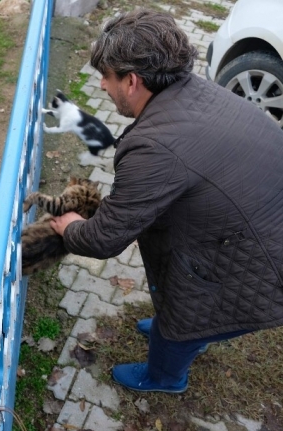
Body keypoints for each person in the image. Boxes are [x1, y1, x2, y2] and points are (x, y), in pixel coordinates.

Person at [49, 9, 283, 393]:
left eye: (106, 78)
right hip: (257, 227)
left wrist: (70, 226)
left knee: (181, 324)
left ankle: (164, 376)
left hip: (260, 265)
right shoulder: (199, 92)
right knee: (188, 315)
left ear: (132, 80)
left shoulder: (155, 149)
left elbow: (105, 238)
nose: (103, 87)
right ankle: (194, 330)